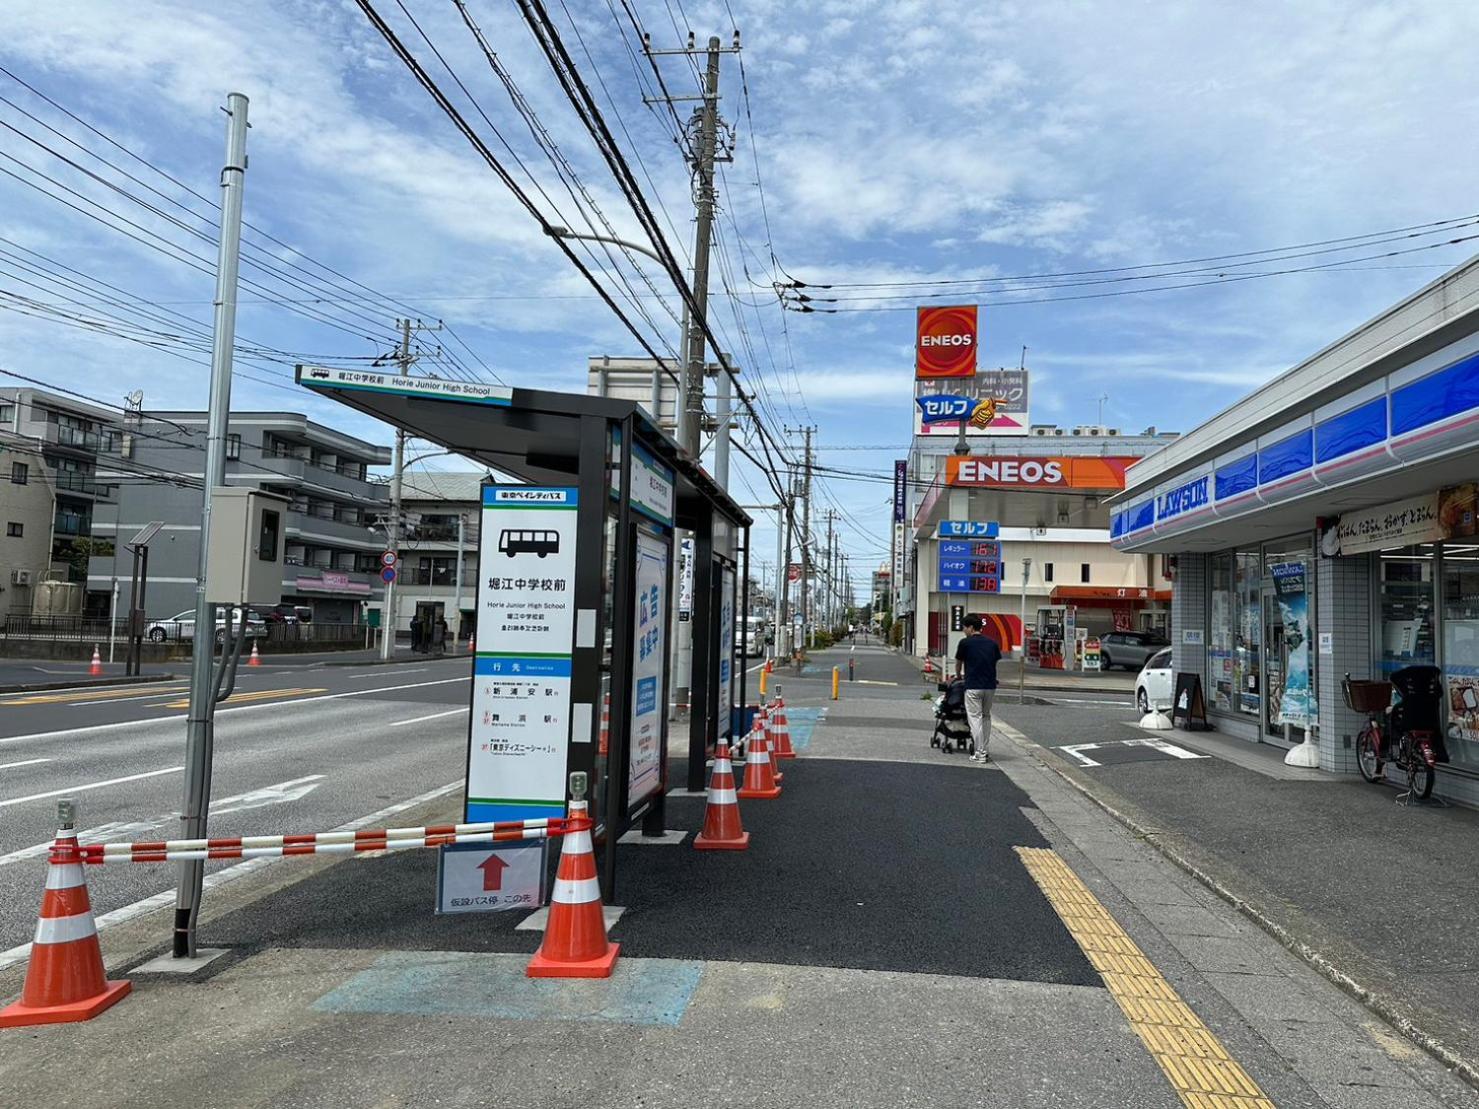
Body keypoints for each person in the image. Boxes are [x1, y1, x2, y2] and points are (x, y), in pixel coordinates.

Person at [954, 614, 1002, 763]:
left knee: (975, 719)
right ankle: (985, 750)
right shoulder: (992, 643)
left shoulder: (965, 643)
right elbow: (994, 662)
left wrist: (958, 675)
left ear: (971, 628)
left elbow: (958, 662)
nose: (963, 630)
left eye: (964, 627)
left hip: (973, 686)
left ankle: (979, 753)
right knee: (986, 716)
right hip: (990, 685)